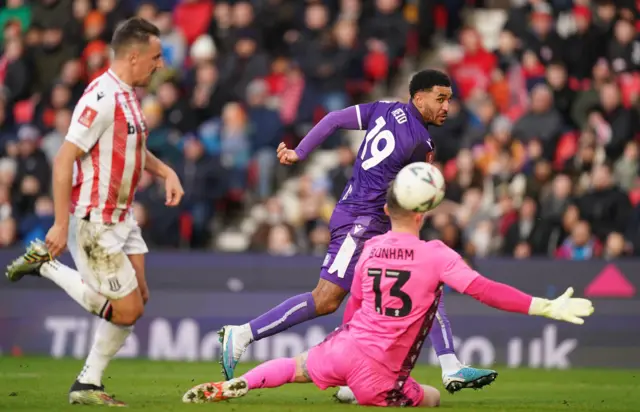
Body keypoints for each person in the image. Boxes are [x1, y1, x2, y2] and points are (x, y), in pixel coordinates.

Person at [186, 175, 594, 406]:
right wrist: (544, 307)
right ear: (425, 211)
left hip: (342, 347)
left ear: (385, 210)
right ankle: (419, 374)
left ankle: (237, 384)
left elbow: (356, 307)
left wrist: (342, 349)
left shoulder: (371, 248)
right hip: (381, 372)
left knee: (296, 367)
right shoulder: (436, 254)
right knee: (432, 399)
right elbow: (485, 291)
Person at [219, 69, 497, 394]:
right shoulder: (421, 142)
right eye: (440, 99)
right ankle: (242, 334)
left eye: (449, 99)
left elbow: (335, 119)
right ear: (418, 98)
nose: (447, 106)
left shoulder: (383, 108)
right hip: (362, 222)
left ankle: (436, 368)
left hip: (364, 217)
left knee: (411, 286)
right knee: (325, 299)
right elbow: (408, 192)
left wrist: (301, 152)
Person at [5, 17, 184, 406]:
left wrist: (166, 170)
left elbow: (133, 150)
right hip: (95, 220)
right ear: (133, 57)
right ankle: (47, 266)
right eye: (155, 58)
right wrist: (60, 222)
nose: (159, 65)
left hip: (122, 216)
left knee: (140, 299)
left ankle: (88, 384)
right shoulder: (100, 98)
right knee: (127, 309)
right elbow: (63, 159)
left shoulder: (128, 96)